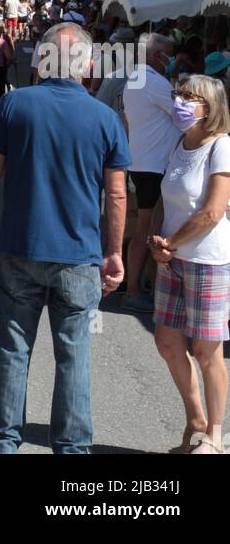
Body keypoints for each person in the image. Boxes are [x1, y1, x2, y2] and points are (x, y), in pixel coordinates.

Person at [0, 22, 131, 454]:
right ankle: (72, 448)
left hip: (19, 247)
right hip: (79, 256)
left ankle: (1, 442)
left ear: (41, 60)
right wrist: (114, 253)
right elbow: (115, 193)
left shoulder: (14, 105)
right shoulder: (106, 119)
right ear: (89, 65)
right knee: (74, 355)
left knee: (12, 349)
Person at [149, 74, 230, 454]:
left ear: (210, 107)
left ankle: (214, 437)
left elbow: (213, 212)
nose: (180, 102)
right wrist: (155, 241)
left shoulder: (221, 146)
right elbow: (165, 198)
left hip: (206, 260)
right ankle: (194, 421)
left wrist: (171, 242)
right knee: (167, 342)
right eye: (179, 94)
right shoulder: (178, 144)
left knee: (206, 351)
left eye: (190, 97)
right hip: (171, 259)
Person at [121, 33, 177, 312]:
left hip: (144, 162)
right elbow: (183, 113)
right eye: (169, 53)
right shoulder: (154, 82)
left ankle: (146, 288)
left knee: (150, 227)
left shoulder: (137, 78)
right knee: (150, 228)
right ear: (157, 56)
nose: (171, 58)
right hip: (154, 165)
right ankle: (134, 291)